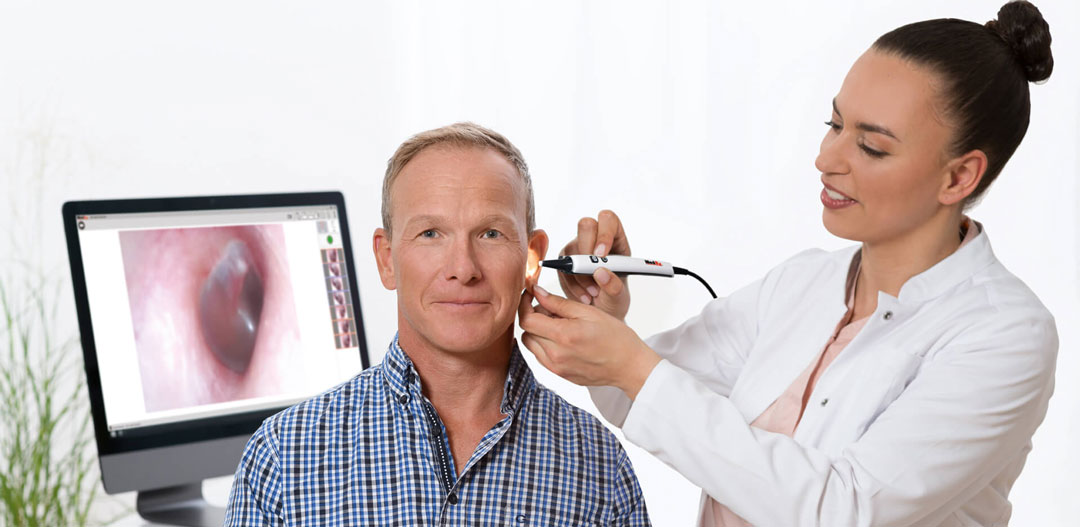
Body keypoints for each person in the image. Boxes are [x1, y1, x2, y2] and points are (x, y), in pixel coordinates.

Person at [518, 2, 1056, 525]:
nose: (826, 159)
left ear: (959, 177)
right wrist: (606, 321)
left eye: (870, 146)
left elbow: (845, 510)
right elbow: (641, 396)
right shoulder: (802, 283)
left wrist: (631, 366)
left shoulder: (1004, 335)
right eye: (834, 124)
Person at [225, 123, 650, 525]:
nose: (463, 269)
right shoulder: (284, 458)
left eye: (490, 234)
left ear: (532, 258)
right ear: (387, 259)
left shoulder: (599, 468)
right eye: (430, 233)